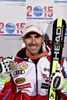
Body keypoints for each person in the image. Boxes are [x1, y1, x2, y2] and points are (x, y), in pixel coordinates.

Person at [0, 21, 67, 100]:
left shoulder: (59, 62)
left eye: (37, 37)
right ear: (23, 40)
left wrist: (63, 86)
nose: (33, 42)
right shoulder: (12, 64)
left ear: (42, 38)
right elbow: (4, 98)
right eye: (29, 37)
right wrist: (3, 80)